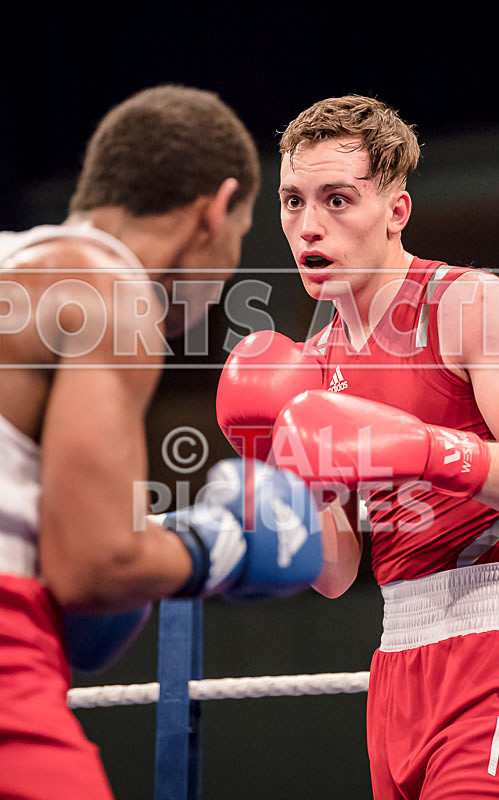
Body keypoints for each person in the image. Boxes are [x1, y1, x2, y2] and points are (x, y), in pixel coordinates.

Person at [216, 95, 499, 798]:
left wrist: (426, 449)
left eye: (337, 199)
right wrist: (270, 457)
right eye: (292, 201)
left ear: (395, 211)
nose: (308, 225)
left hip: (498, 650)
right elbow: (336, 574)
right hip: (395, 667)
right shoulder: (311, 364)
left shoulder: (467, 305)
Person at [0, 85, 322, 800]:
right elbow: (93, 566)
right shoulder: (110, 291)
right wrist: (218, 544)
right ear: (215, 210)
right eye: (241, 234)